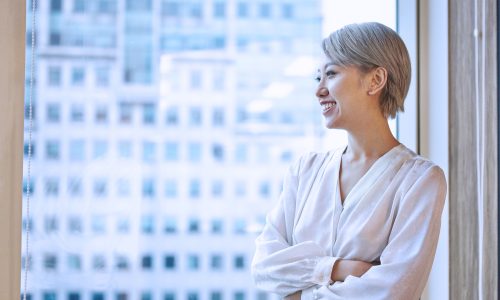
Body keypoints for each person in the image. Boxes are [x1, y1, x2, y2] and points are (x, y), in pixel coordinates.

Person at [251, 22, 447, 300]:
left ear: (376, 80)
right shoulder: (304, 171)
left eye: (330, 74)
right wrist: (336, 269)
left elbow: (393, 292)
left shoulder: (420, 180)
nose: (319, 90)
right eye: (317, 77)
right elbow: (263, 268)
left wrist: (300, 292)